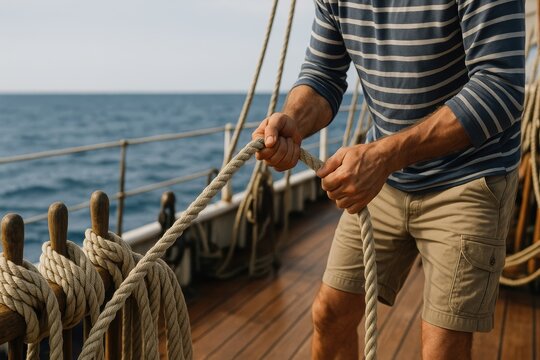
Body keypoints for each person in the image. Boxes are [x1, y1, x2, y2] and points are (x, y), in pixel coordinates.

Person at [252, 0, 525, 359]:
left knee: (442, 347)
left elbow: (499, 87)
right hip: (387, 179)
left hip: (468, 179)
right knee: (330, 316)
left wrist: (385, 156)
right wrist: (292, 122)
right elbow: (323, 75)